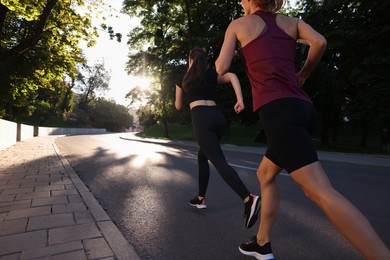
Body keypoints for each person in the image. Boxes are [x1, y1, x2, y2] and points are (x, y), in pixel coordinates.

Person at [215, 0, 390, 259]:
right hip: (301, 107)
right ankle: (262, 243)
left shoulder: (239, 25)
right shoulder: (292, 22)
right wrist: (304, 73)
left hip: (278, 112)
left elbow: (221, 68)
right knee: (265, 173)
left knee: (319, 190)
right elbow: (319, 42)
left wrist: (239, 48)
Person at [175, 47, 260, 229]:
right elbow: (232, 77)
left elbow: (178, 106)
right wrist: (240, 100)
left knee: (219, 162)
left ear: (190, 61)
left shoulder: (184, 79)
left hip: (202, 121)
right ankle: (200, 198)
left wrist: (182, 90)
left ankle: (248, 198)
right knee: (202, 156)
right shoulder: (211, 75)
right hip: (218, 119)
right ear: (204, 61)